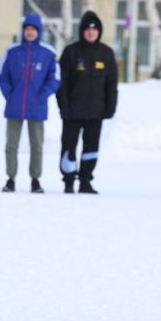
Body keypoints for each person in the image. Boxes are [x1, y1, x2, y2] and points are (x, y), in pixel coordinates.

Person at [0, 14, 60, 193]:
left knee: (37, 145)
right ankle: (10, 179)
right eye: (27, 29)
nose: (30, 32)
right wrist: (10, 94)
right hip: (14, 106)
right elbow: (2, 75)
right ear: (23, 30)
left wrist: (43, 95)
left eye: (33, 29)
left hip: (37, 107)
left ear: (39, 32)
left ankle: (35, 180)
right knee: (11, 144)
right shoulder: (12, 52)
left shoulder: (48, 53)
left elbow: (54, 78)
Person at [56, 10, 118, 194]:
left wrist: (110, 107)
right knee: (69, 147)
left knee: (91, 148)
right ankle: (68, 181)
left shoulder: (106, 54)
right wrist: (63, 106)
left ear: (99, 32)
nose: (91, 33)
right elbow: (62, 83)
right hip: (72, 112)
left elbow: (112, 84)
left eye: (95, 29)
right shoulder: (71, 52)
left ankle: (85, 181)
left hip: (95, 112)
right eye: (88, 29)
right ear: (82, 31)